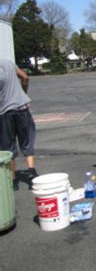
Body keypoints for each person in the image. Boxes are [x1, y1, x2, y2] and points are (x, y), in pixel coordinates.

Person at [0, 59, 38, 191]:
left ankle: (13, 178)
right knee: (27, 141)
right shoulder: (8, 63)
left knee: (8, 145)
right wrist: (22, 94)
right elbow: (25, 77)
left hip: (5, 112)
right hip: (22, 108)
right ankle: (32, 173)